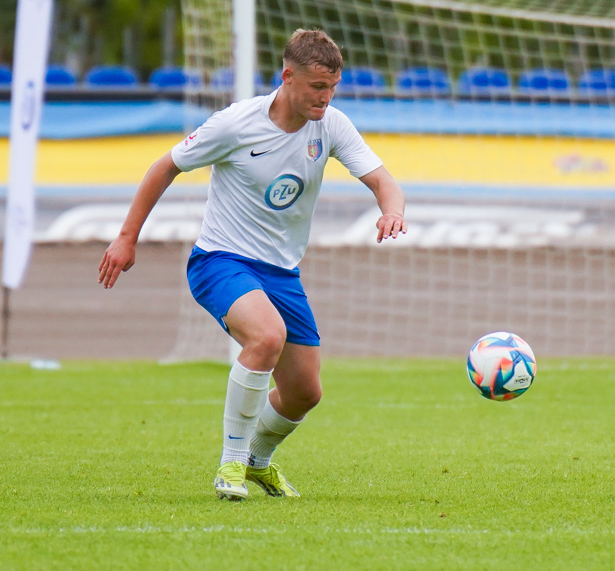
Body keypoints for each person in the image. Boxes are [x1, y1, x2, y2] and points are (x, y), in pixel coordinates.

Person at [97, 29, 407, 501]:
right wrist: (126, 237)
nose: (326, 98)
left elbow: (383, 180)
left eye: (332, 88)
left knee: (305, 393)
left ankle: (259, 461)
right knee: (266, 336)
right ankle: (231, 466)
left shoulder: (332, 124)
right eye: (317, 88)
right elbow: (165, 167)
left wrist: (392, 210)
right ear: (287, 77)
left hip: (282, 273)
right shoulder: (235, 124)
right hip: (220, 260)